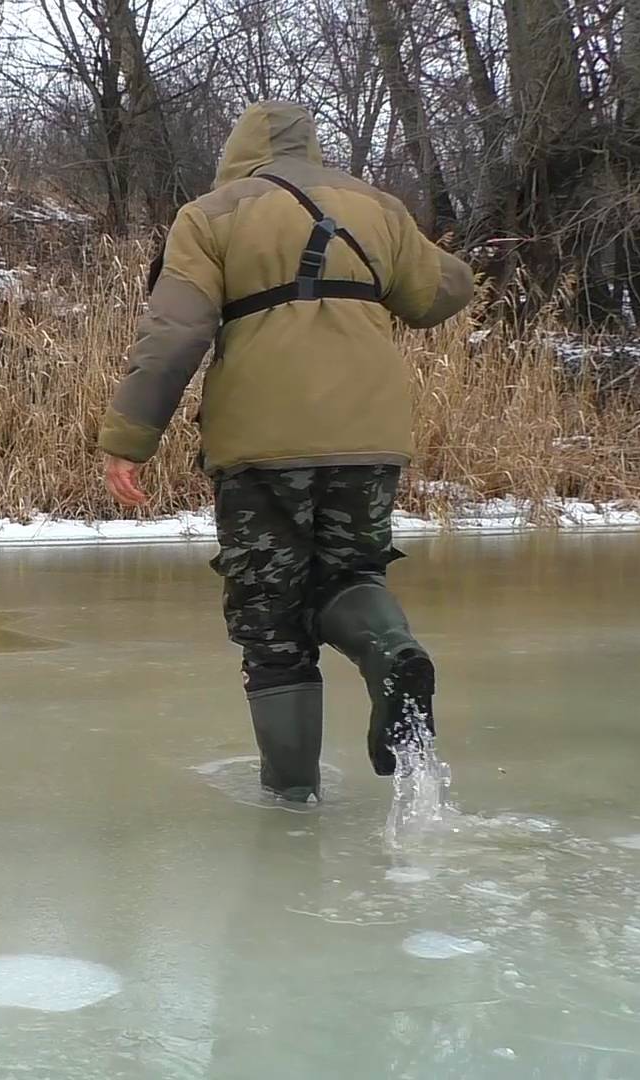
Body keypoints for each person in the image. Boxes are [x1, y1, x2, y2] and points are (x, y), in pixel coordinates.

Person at [96, 101, 474, 802]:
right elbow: (442, 293)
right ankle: (392, 652)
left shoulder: (211, 216)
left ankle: (291, 803)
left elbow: (175, 336)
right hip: (370, 435)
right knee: (349, 575)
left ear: (236, 153)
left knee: (271, 622)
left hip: (262, 446)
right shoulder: (377, 207)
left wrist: (129, 440)